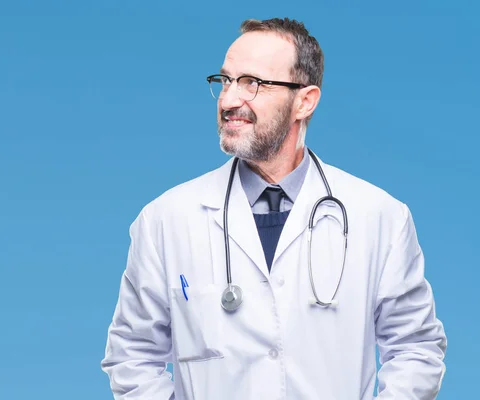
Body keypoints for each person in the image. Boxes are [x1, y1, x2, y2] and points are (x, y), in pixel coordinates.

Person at [101, 17, 447, 400]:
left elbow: (416, 349)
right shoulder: (165, 221)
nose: (229, 99)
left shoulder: (380, 218)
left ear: (305, 100)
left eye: (253, 83)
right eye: (226, 80)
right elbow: (132, 356)